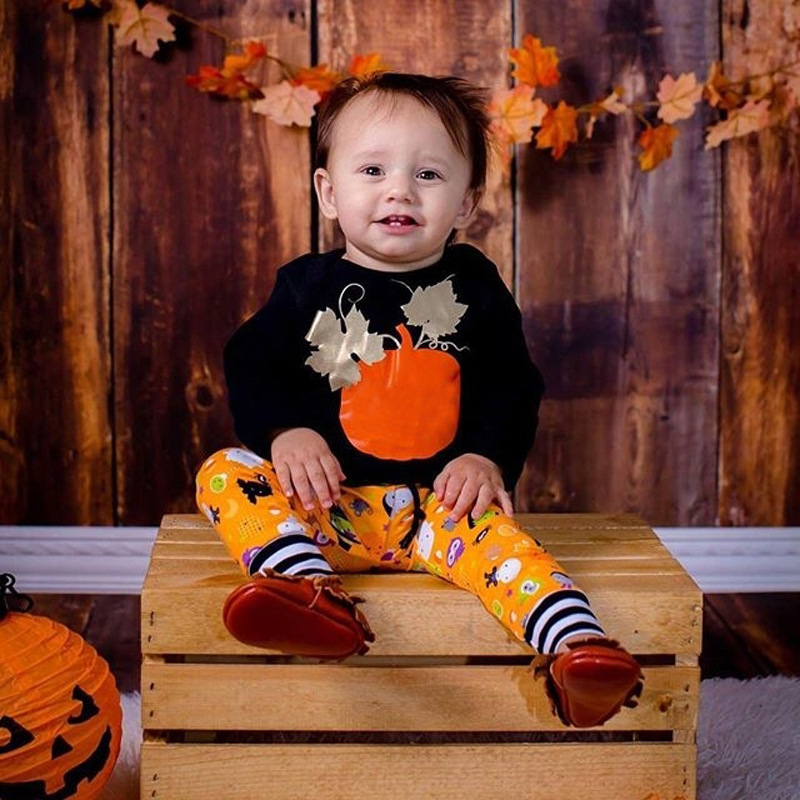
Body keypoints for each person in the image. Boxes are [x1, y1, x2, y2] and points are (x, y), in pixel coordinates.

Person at [195, 72, 642, 728]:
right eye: (373, 170)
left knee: (509, 552)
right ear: (329, 191)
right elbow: (251, 363)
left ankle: (580, 651)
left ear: (465, 203)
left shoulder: (474, 287)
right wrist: (286, 431)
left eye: (428, 175)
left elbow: (513, 384)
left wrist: (485, 458)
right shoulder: (304, 287)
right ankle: (308, 593)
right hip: (328, 509)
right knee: (224, 472)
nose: (399, 190)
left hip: (441, 513)